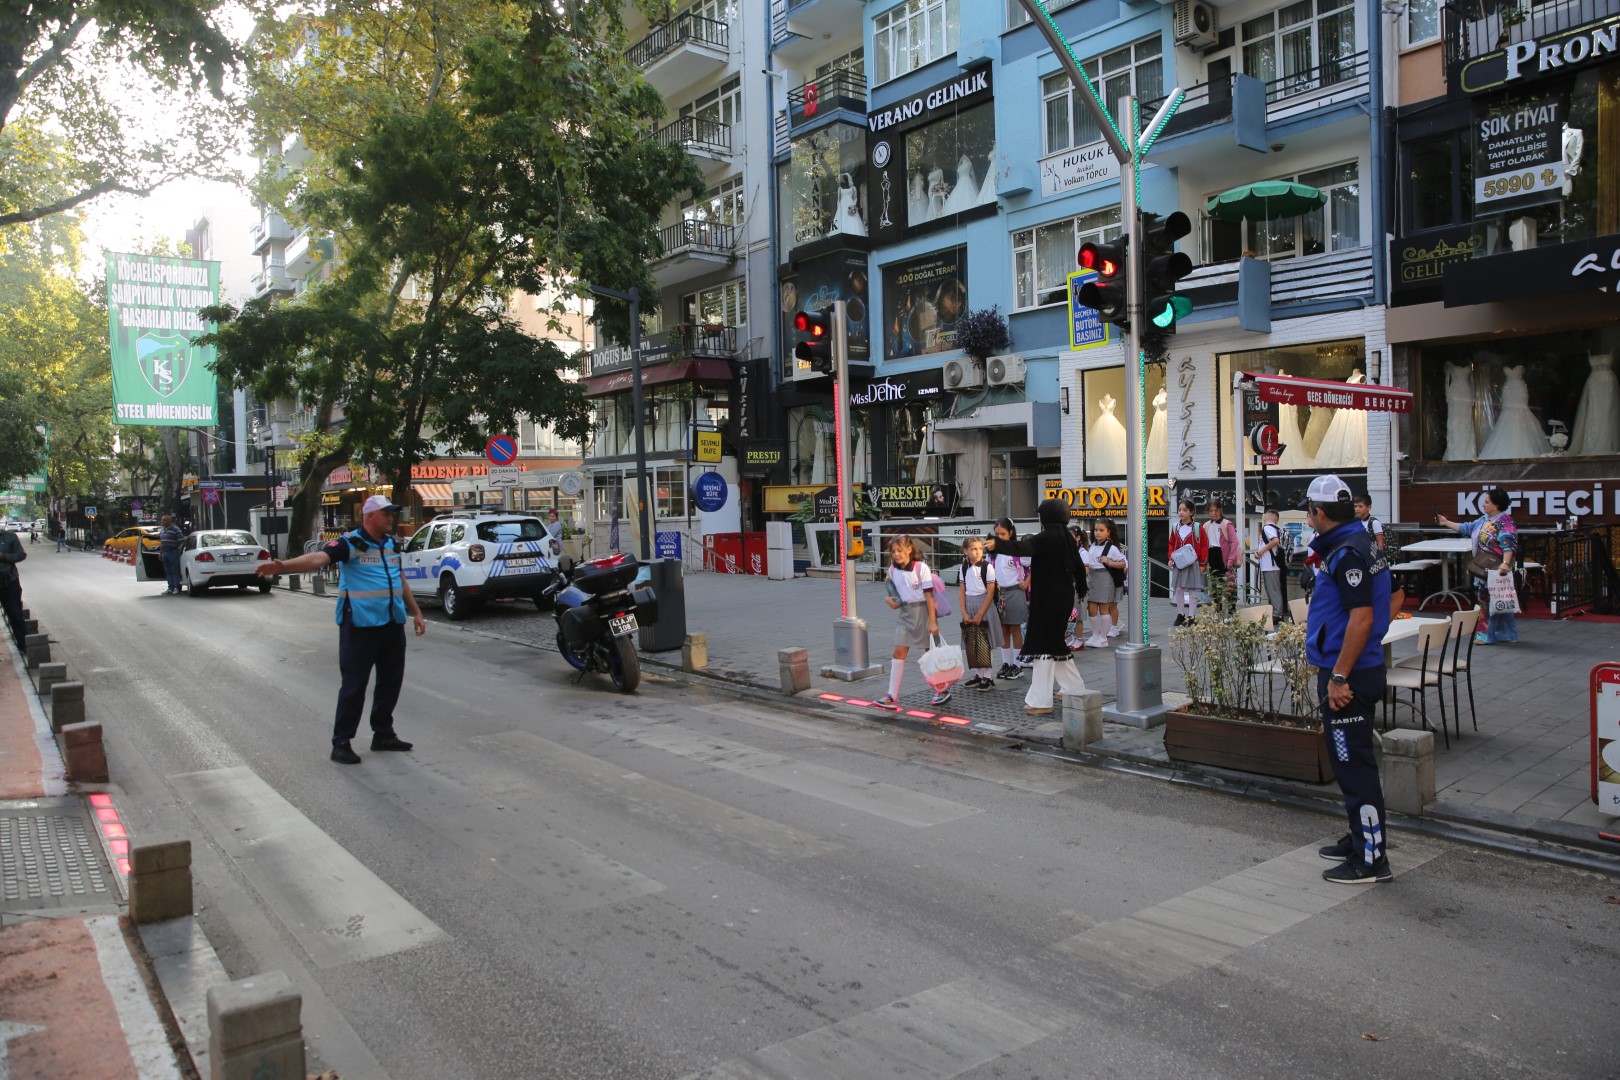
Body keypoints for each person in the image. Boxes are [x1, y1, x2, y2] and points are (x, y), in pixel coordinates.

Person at [256, 495, 427, 764]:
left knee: (390, 682)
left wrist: (416, 612)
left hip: (392, 623)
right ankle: (342, 742)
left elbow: (399, 578)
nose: (392, 517)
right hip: (359, 624)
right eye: (387, 513)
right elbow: (317, 559)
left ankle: (383, 733)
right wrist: (284, 566)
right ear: (370, 516)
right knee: (354, 685)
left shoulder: (393, 544)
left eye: (392, 513)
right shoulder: (350, 543)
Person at [1304, 474, 1394, 884]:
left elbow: (1362, 618)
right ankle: (1360, 837)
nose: (1308, 517)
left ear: (1319, 513)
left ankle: (1370, 859)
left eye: (1308, 510)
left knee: (1355, 768)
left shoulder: (1348, 553)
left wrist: (1339, 676)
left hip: (1349, 676)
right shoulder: (1359, 544)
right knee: (1349, 765)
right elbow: (1395, 597)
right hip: (1356, 667)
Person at [984, 499, 1088, 716]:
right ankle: (1074, 689)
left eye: (1041, 514)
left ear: (1048, 516)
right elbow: (1078, 566)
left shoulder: (1048, 536)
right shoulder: (1066, 537)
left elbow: (1025, 547)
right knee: (1055, 644)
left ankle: (1041, 701)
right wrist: (1082, 588)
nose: (1039, 518)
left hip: (1049, 599)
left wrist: (998, 544)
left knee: (1044, 646)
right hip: (1062, 597)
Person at [1438, 488, 1519, 645]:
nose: (1483, 504)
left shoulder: (1505, 522)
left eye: (1487, 502)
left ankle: (1486, 634)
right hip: (1485, 567)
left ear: (1496, 505)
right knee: (1498, 599)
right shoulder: (1484, 520)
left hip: (1497, 568)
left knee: (1490, 600)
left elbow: (1509, 544)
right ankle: (1506, 633)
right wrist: (1446, 522)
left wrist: (1505, 563)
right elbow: (1467, 528)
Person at [876, 535, 943, 710]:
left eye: (899, 550)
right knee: (898, 652)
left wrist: (933, 622)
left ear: (909, 549)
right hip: (905, 613)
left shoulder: (921, 568)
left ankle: (941, 690)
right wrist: (889, 600)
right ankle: (892, 695)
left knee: (930, 653)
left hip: (923, 612)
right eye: (893, 551)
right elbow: (895, 593)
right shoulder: (892, 570)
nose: (896, 554)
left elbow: (929, 597)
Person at [990, 518, 1028, 679]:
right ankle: (1006, 663)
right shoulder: (993, 552)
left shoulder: (1017, 550)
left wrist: (1027, 582)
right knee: (1004, 629)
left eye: (1003, 534)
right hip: (1000, 593)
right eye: (997, 534)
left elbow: (1034, 564)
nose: (999, 537)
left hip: (1015, 591)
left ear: (1011, 533)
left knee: (1015, 628)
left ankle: (1017, 665)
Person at [958, 537, 997, 690]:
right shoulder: (963, 567)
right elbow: (962, 591)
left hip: (984, 605)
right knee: (973, 641)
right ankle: (979, 674)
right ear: (965, 551)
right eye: (973, 549)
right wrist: (964, 612)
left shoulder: (987, 567)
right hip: (969, 604)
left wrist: (981, 613)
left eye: (980, 548)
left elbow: (990, 592)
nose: (978, 552)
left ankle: (988, 676)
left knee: (986, 642)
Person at [1082, 518, 1128, 648]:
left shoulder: (1112, 548)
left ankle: (1103, 637)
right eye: (1096, 530)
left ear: (1108, 532)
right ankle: (1095, 635)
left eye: (1101, 530)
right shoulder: (1092, 545)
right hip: (1092, 577)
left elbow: (1123, 563)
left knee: (1103, 608)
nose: (1098, 533)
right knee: (1091, 607)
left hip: (1105, 578)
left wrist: (1110, 562)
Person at [1168, 500, 1207, 625]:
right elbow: (1171, 544)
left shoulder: (1197, 527)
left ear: (1191, 512)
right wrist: (1170, 558)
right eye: (1179, 510)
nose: (1181, 512)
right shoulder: (1175, 527)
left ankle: (1192, 616)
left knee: (1192, 589)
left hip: (1192, 562)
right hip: (1179, 563)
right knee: (1178, 589)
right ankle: (1181, 614)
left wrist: (1202, 564)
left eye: (1184, 510)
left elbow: (1204, 546)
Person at [1203, 498, 1240, 607]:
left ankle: (1231, 612)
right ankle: (1217, 611)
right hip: (1212, 555)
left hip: (1224, 555)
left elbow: (1235, 542)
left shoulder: (1227, 524)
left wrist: (1231, 558)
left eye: (1216, 510)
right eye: (1211, 511)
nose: (1213, 513)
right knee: (1215, 584)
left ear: (1220, 510)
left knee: (1229, 584)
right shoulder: (1206, 525)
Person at [1257, 509, 1289, 622]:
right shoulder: (1275, 529)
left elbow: (1275, 541)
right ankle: (1277, 612)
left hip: (1271, 565)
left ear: (1266, 517)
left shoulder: (1267, 528)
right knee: (1274, 588)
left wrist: (1261, 551)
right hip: (1273, 564)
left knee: (1273, 589)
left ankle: (1277, 613)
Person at [0, 524, 25, 645]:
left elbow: (21, 554)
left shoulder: (10, 537)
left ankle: (24, 645)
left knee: (15, 615)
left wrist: (4, 557)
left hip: (9, 582)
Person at [158, 514, 185, 595]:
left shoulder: (175, 529)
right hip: (165, 552)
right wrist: (160, 553)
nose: (162, 521)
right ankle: (170, 588)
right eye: (162, 520)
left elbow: (182, 540)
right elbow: (162, 543)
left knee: (174, 570)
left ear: (169, 521)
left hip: (173, 552)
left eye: (164, 520)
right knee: (168, 571)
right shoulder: (162, 530)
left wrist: (178, 549)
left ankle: (177, 587)